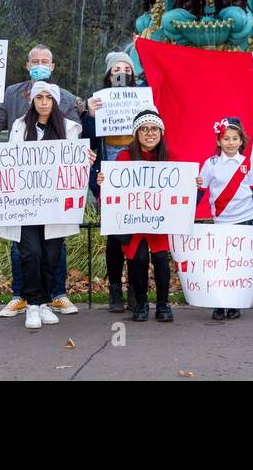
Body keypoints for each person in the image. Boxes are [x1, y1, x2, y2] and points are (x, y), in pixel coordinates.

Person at [0, 44, 84, 318]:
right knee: (25, 248)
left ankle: (54, 296)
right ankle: (23, 297)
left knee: (53, 248)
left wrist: (86, 157)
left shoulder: (67, 99)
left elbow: (74, 148)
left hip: (54, 196)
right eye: (35, 60)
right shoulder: (12, 95)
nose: (40, 64)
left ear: (53, 66)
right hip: (22, 195)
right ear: (27, 65)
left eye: (45, 60)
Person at [0, 81, 92, 330]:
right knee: (31, 253)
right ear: (32, 101)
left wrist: (85, 160)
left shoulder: (69, 128)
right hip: (26, 206)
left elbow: (73, 165)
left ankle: (45, 302)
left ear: (55, 101)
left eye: (48, 97)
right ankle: (32, 304)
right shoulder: (20, 126)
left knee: (52, 255)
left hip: (55, 206)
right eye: (39, 97)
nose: (44, 102)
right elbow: (7, 161)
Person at [97, 109, 176, 322]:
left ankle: (163, 304)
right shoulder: (125, 156)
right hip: (134, 221)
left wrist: (192, 183)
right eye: (144, 129)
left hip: (158, 220)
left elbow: (180, 186)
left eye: (154, 129)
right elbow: (113, 189)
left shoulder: (170, 158)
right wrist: (105, 182)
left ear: (161, 132)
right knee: (138, 259)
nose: (149, 133)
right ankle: (140, 303)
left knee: (160, 259)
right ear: (136, 133)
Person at [83, 51, 140, 312]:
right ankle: (115, 290)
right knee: (116, 237)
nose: (122, 73)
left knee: (138, 235)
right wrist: (91, 116)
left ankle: (137, 291)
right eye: (117, 69)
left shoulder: (142, 98)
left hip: (138, 171)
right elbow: (88, 143)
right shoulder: (98, 101)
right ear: (108, 74)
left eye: (126, 69)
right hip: (109, 171)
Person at [196, 116, 253, 321]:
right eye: (226, 139)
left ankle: (235, 304)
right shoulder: (211, 164)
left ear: (241, 141)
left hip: (246, 220)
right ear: (218, 141)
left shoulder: (247, 164)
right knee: (220, 266)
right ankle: (218, 304)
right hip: (221, 222)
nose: (230, 143)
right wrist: (187, 213)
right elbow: (201, 192)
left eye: (235, 138)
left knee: (241, 265)